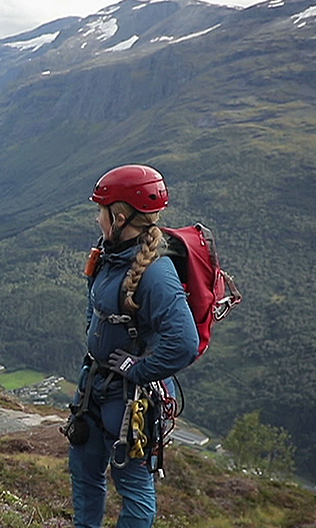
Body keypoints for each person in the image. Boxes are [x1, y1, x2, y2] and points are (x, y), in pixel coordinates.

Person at [68, 164, 199, 528]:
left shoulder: (156, 273)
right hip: (96, 387)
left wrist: (137, 369)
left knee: (134, 488)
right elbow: (96, 306)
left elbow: (184, 343)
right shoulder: (112, 254)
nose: (98, 218)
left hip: (130, 401)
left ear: (120, 216)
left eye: (102, 211)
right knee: (84, 471)